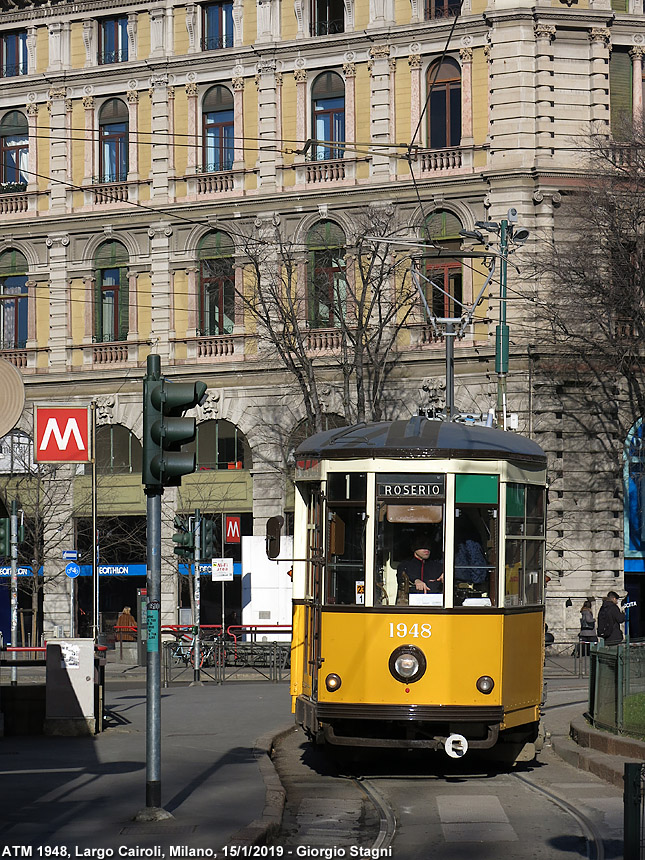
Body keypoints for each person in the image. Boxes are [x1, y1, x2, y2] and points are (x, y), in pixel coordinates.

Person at [396, 536, 443, 604]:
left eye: (428, 547)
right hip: (411, 605)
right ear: (414, 549)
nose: (426, 549)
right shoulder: (405, 565)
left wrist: (446, 575)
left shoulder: (438, 566)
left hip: (435, 605)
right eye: (422, 546)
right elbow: (401, 576)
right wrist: (416, 580)